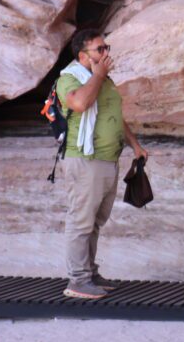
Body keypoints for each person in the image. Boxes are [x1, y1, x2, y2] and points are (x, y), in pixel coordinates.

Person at [57, 29, 148, 299]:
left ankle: (90, 273)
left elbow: (114, 115)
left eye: (106, 47)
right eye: (100, 49)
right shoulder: (69, 78)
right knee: (80, 221)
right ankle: (78, 280)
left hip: (107, 159)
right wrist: (97, 75)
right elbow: (80, 103)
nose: (106, 53)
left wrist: (135, 145)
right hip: (85, 161)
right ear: (83, 55)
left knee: (95, 221)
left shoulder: (104, 80)